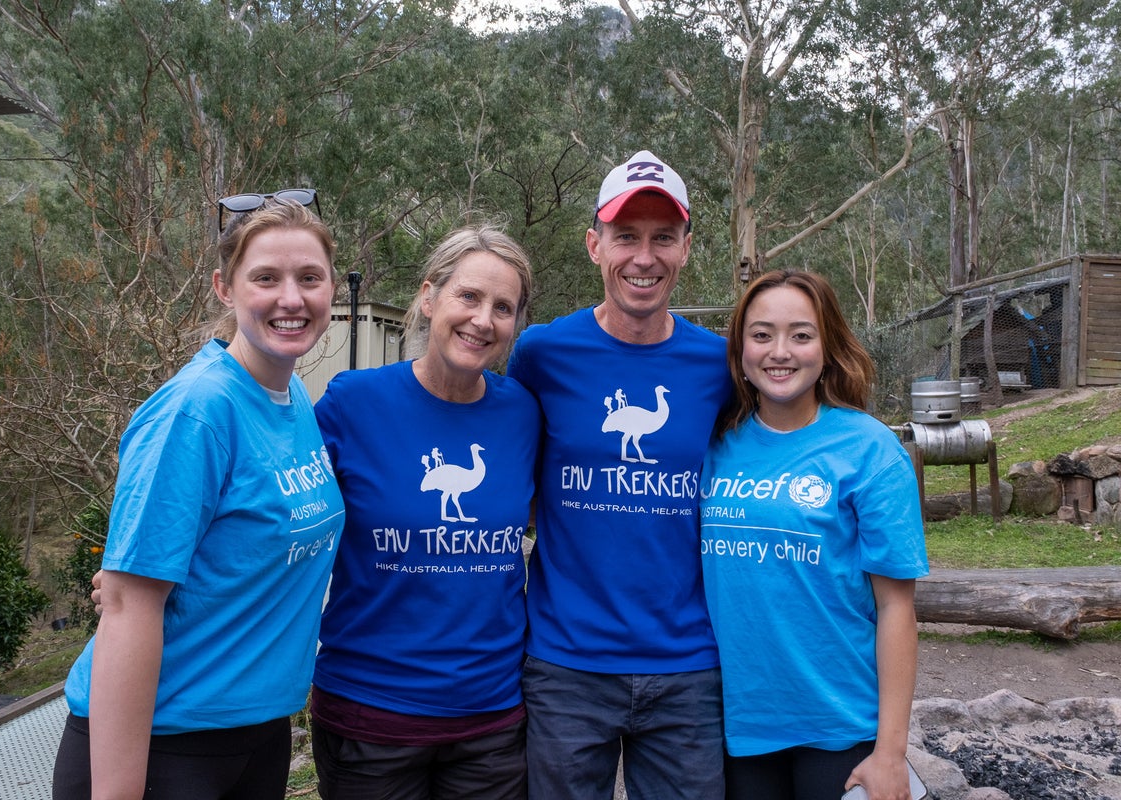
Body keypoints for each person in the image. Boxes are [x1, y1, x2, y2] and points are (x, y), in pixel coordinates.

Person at [52, 192, 346, 800]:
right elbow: (131, 605)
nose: (291, 299)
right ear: (224, 287)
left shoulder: (293, 403)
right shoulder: (198, 411)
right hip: (164, 747)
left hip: (255, 735)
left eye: (309, 278)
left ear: (332, 289)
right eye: (266, 277)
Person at [506, 151, 732, 798]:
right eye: (626, 236)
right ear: (594, 245)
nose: (644, 257)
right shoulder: (544, 354)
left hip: (687, 666)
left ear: (686, 248)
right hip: (567, 665)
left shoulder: (718, 366)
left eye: (663, 237)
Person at [309, 225, 540, 799]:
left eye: (503, 307)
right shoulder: (352, 403)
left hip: (491, 721)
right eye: (468, 297)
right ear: (429, 297)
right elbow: (279, 507)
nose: (483, 320)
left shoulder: (523, 415)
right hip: (372, 717)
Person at [699, 269, 929, 800]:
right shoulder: (713, 445)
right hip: (738, 724)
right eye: (761, 335)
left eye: (801, 335)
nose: (780, 352)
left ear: (828, 347)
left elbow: (898, 608)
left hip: (840, 724)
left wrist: (890, 753)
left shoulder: (870, 451)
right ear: (739, 351)